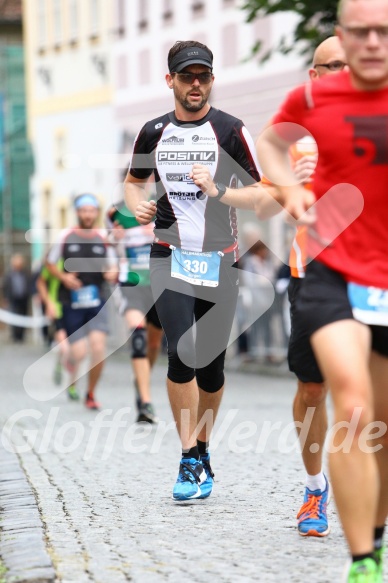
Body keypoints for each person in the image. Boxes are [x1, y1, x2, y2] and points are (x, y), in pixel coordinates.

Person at [257, 0, 388, 579]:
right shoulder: (309, 107)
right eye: (359, 34)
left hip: (383, 273)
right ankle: (356, 551)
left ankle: (373, 527)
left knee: (379, 417)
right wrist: (291, 190)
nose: (373, 44)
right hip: (323, 270)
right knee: (345, 403)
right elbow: (269, 148)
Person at [124, 40, 263, 501]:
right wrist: (136, 208)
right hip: (169, 254)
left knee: (212, 369)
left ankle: (203, 447)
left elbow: (263, 194)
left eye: (203, 75)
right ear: (171, 81)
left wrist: (221, 190)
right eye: (187, 77)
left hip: (221, 260)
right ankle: (187, 457)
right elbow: (133, 181)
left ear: (212, 80)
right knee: (181, 355)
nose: (196, 84)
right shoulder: (153, 131)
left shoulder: (230, 130)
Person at [259, 36, 348, 538]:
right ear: (313, 76)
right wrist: (292, 183)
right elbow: (268, 205)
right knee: (312, 387)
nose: (338, 71)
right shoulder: (296, 133)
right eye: (327, 66)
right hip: (311, 274)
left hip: (374, 274)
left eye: (346, 63)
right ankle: (315, 488)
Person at [46, 193, 118, 409]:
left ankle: (91, 393)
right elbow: (49, 263)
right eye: (83, 211)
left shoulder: (103, 239)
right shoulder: (66, 237)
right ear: (77, 213)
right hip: (71, 303)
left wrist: (111, 273)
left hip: (96, 302)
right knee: (78, 353)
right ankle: (72, 381)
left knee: (98, 348)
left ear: (96, 213)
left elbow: (113, 266)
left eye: (91, 210)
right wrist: (64, 277)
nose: (87, 215)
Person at [107, 198, 164, 423]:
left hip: (159, 284)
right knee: (138, 338)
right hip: (131, 284)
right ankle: (145, 401)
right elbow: (106, 240)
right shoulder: (116, 211)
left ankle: (142, 382)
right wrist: (113, 240)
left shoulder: (164, 204)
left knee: (153, 344)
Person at [36, 259, 70, 385]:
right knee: (66, 347)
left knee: (76, 349)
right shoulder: (54, 261)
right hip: (57, 309)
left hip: (75, 309)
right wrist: (48, 303)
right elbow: (40, 282)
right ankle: (62, 368)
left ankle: (71, 382)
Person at [3, 253, 31, 342]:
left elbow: (28, 285)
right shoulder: (9, 274)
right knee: (14, 316)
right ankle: (15, 336)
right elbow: (6, 286)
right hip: (13, 299)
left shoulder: (25, 273)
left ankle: (21, 335)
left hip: (23, 298)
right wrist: (5, 297)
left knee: (23, 316)